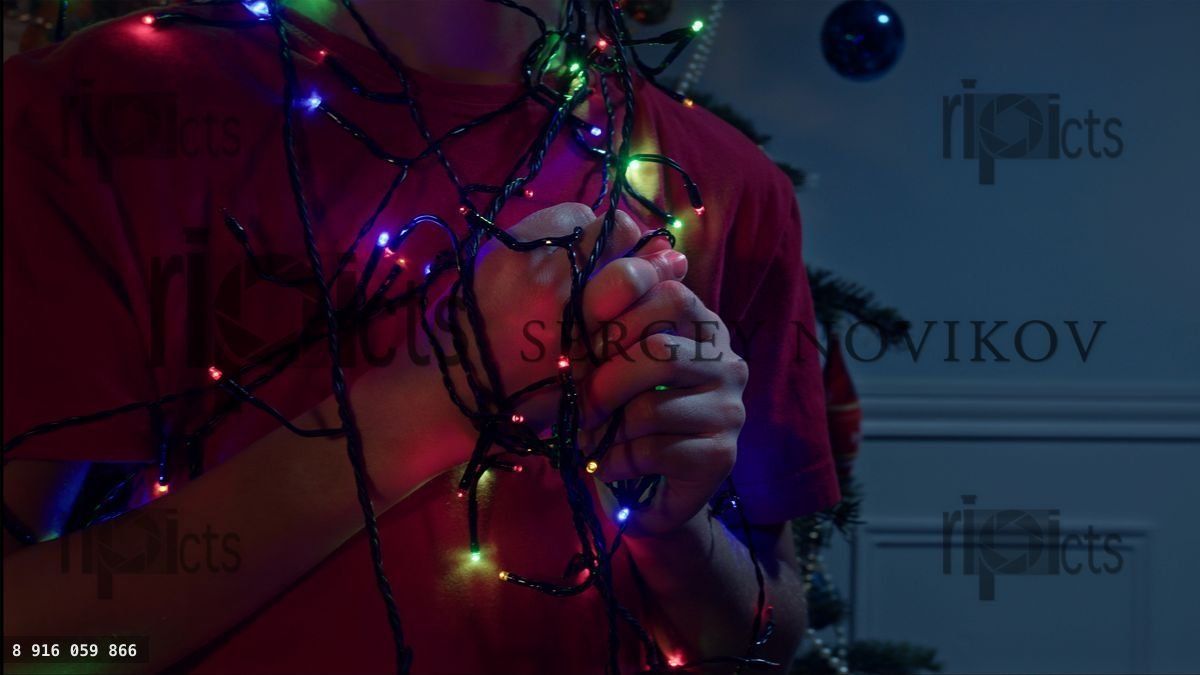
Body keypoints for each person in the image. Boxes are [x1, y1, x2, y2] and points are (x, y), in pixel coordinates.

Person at [2, 1, 838, 672]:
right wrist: (440, 395)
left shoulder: (728, 186)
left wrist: (670, 526)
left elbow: (765, 634)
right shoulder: (102, 112)